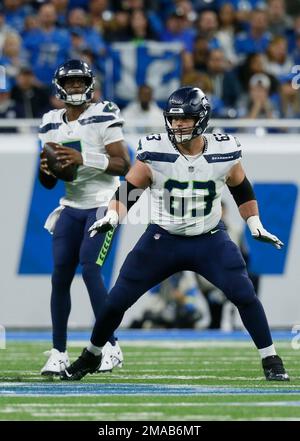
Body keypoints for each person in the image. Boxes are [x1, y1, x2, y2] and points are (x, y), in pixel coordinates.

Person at [61, 86, 289, 382]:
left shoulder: (224, 149)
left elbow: (241, 187)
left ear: (202, 118)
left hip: (209, 238)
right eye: (174, 118)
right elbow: (129, 189)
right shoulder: (156, 150)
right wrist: (114, 214)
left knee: (245, 295)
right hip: (163, 239)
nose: (177, 124)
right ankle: (91, 355)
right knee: (116, 301)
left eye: (185, 119)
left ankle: (271, 359)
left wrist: (254, 222)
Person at [38, 59, 130, 376]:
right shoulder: (50, 121)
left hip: (106, 201)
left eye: (80, 81)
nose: (76, 87)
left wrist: (83, 157)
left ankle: (111, 346)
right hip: (72, 204)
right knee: (60, 276)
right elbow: (49, 181)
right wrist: (46, 170)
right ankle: (58, 353)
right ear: (60, 87)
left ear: (89, 84)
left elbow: (124, 165)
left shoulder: (103, 113)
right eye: (71, 82)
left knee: (91, 270)